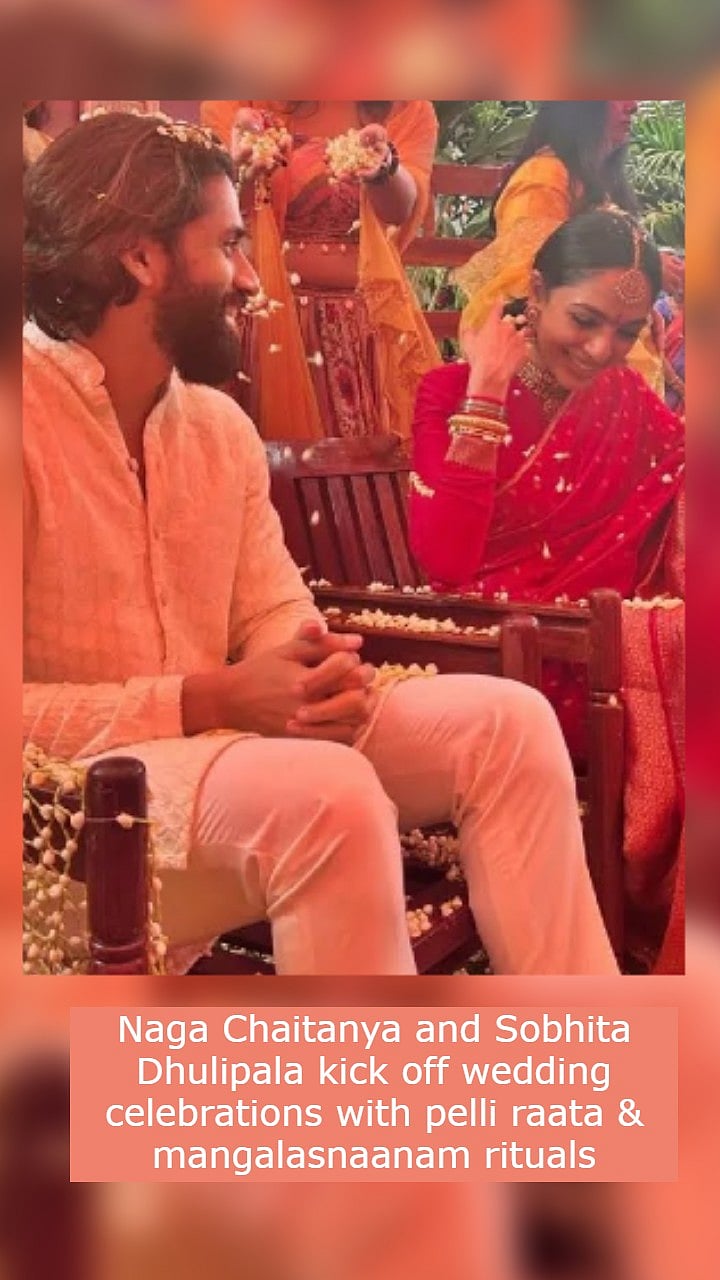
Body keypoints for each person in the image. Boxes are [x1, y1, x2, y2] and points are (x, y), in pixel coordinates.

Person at [23, 110, 618, 977]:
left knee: (508, 724)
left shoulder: (216, 428)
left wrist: (309, 678)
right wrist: (208, 699)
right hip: (58, 818)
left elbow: (274, 609)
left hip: (220, 763)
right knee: (329, 799)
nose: (248, 277)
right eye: (227, 244)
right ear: (141, 259)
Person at [409, 209, 685, 971]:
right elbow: (446, 566)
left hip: (609, 652)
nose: (601, 350)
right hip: (505, 666)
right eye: (585, 320)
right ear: (535, 293)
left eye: (625, 333)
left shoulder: (628, 401)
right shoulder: (447, 391)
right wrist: (488, 391)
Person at [199, 100, 440, 441]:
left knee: (354, 467)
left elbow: (400, 211)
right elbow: (216, 214)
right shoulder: (240, 101)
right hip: (262, 322)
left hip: (355, 330)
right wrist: (241, 167)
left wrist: (384, 167)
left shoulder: (404, 107)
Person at [455, 100, 684, 395]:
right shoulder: (543, 177)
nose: (633, 106)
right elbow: (524, 274)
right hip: (552, 369)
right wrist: (635, 268)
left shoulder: (592, 181)